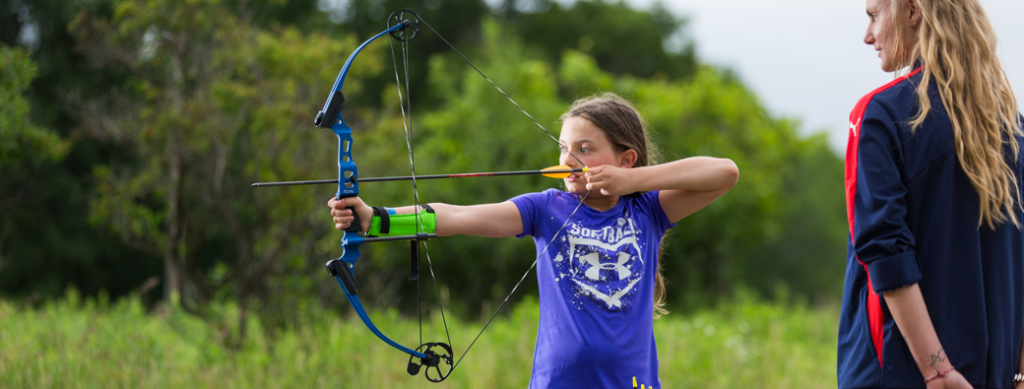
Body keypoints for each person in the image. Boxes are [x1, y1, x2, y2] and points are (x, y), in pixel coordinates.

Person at [329, 94, 738, 388]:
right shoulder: (545, 208)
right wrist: (375, 219)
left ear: (625, 158)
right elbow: (456, 216)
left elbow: (725, 172)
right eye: (563, 149)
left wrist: (633, 181)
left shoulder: (649, 210)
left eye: (584, 149)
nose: (567, 161)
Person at [839, 0, 1024, 388]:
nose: (868, 35)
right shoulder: (1012, 127)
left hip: (904, 374)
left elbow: (885, 250)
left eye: (874, 15)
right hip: (995, 373)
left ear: (911, 12)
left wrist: (936, 371)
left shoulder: (879, 115)